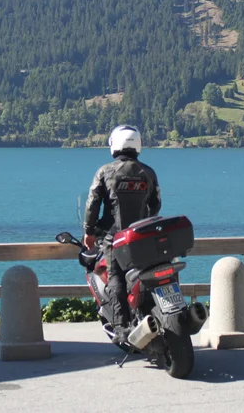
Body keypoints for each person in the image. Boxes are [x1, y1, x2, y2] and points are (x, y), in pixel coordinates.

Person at [83, 124, 161, 344]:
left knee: (115, 277)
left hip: (115, 237)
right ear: (137, 144)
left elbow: (92, 204)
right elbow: (156, 205)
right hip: (143, 236)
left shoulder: (105, 171)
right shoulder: (149, 172)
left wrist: (89, 231)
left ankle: (121, 328)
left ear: (114, 144)